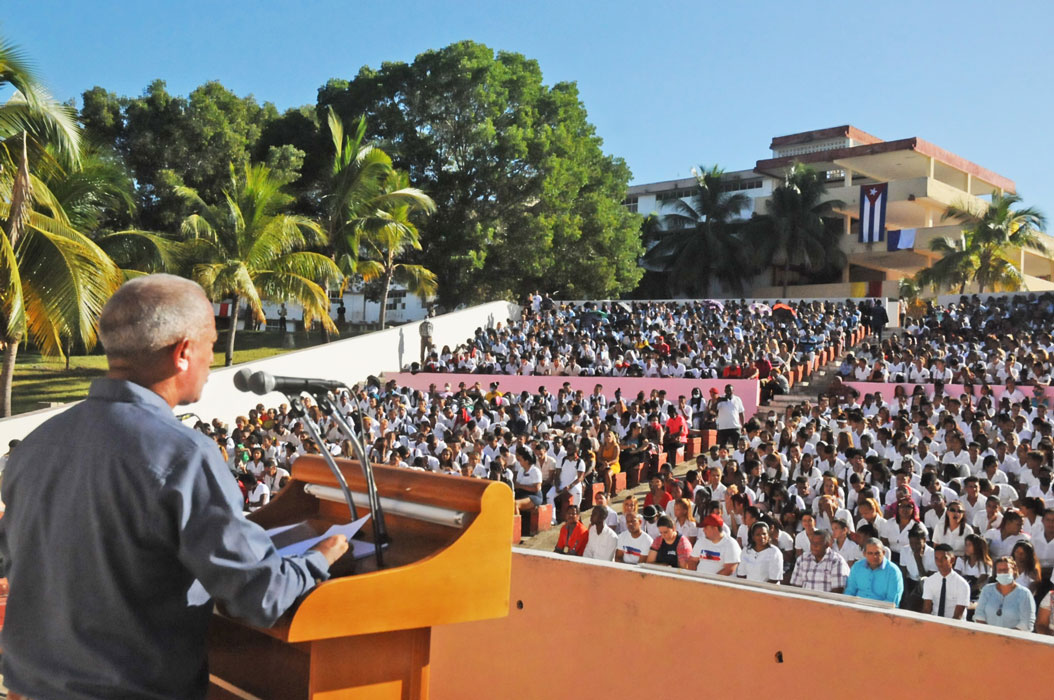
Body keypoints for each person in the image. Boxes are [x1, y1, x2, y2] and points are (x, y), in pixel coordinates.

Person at [0, 274, 349, 700]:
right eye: (210, 344)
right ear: (183, 353)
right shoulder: (183, 455)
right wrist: (320, 556)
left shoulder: (37, 444)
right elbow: (262, 597)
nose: (212, 358)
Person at [974, 557, 1036, 632]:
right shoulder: (987, 590)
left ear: (1014, 570)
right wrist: (990, 633)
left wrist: (1004, 635)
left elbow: (1026, 623)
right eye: (999, 570)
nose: (1002, 572)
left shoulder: (1024, 594)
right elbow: (979, 614)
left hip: (1013, 637)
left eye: (1006, 570)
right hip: (987, 635)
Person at [845, 538, 904, 605]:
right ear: (864, 554)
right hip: (856, 607)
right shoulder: (857, 567)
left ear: (883, 553)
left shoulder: (893, 572)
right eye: (870, 553)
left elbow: (892, 602)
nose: (874, 556)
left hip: (881, 610)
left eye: (877, 553)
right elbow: (849, 592)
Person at [921, 544, 970, 620]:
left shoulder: (962, 584)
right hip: (935, 621)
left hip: (955, 624)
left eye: (944, 558)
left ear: (952, 560)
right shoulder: (929, 581)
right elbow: (926, 609)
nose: (939, 562)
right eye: (936, 558)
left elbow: (958, 616)